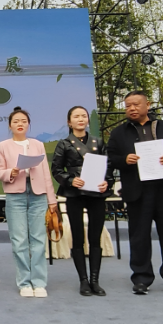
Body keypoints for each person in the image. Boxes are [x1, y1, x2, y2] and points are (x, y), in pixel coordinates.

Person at [107, 91, 163, 297]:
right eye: (128, 106)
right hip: (137, 191)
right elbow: (111, 157)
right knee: (139, 237)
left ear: (148, 105)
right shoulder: (119, 133)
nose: (131, 108)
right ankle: (141, 278)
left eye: (136, 104)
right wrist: (124, 159)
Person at [50, 105, 114, 297]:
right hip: (75, 195)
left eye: (84, 116)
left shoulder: (98, 142)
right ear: (69, 122)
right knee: (77, 237)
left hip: (96, 194)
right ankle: (83, 280)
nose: (81, 119)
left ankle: (95, 280)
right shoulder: (64, 144)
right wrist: (70, 180)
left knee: (95, 237)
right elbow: (56, 170)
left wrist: (107, 182)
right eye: (76, 116)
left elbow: (108, 166)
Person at [0, 107, 58, 298]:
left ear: (29, 124)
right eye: (16, 121)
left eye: (23, 121)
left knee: (38, 239)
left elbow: (45, 173)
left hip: (38, 194)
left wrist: (52, 200)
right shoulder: (3, 146)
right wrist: (11, 172)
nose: (20, 124)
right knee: (19, 240)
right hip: (16, 195)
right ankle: (24, 282)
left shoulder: (37, 144)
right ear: (10, 126)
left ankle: (39, 282)